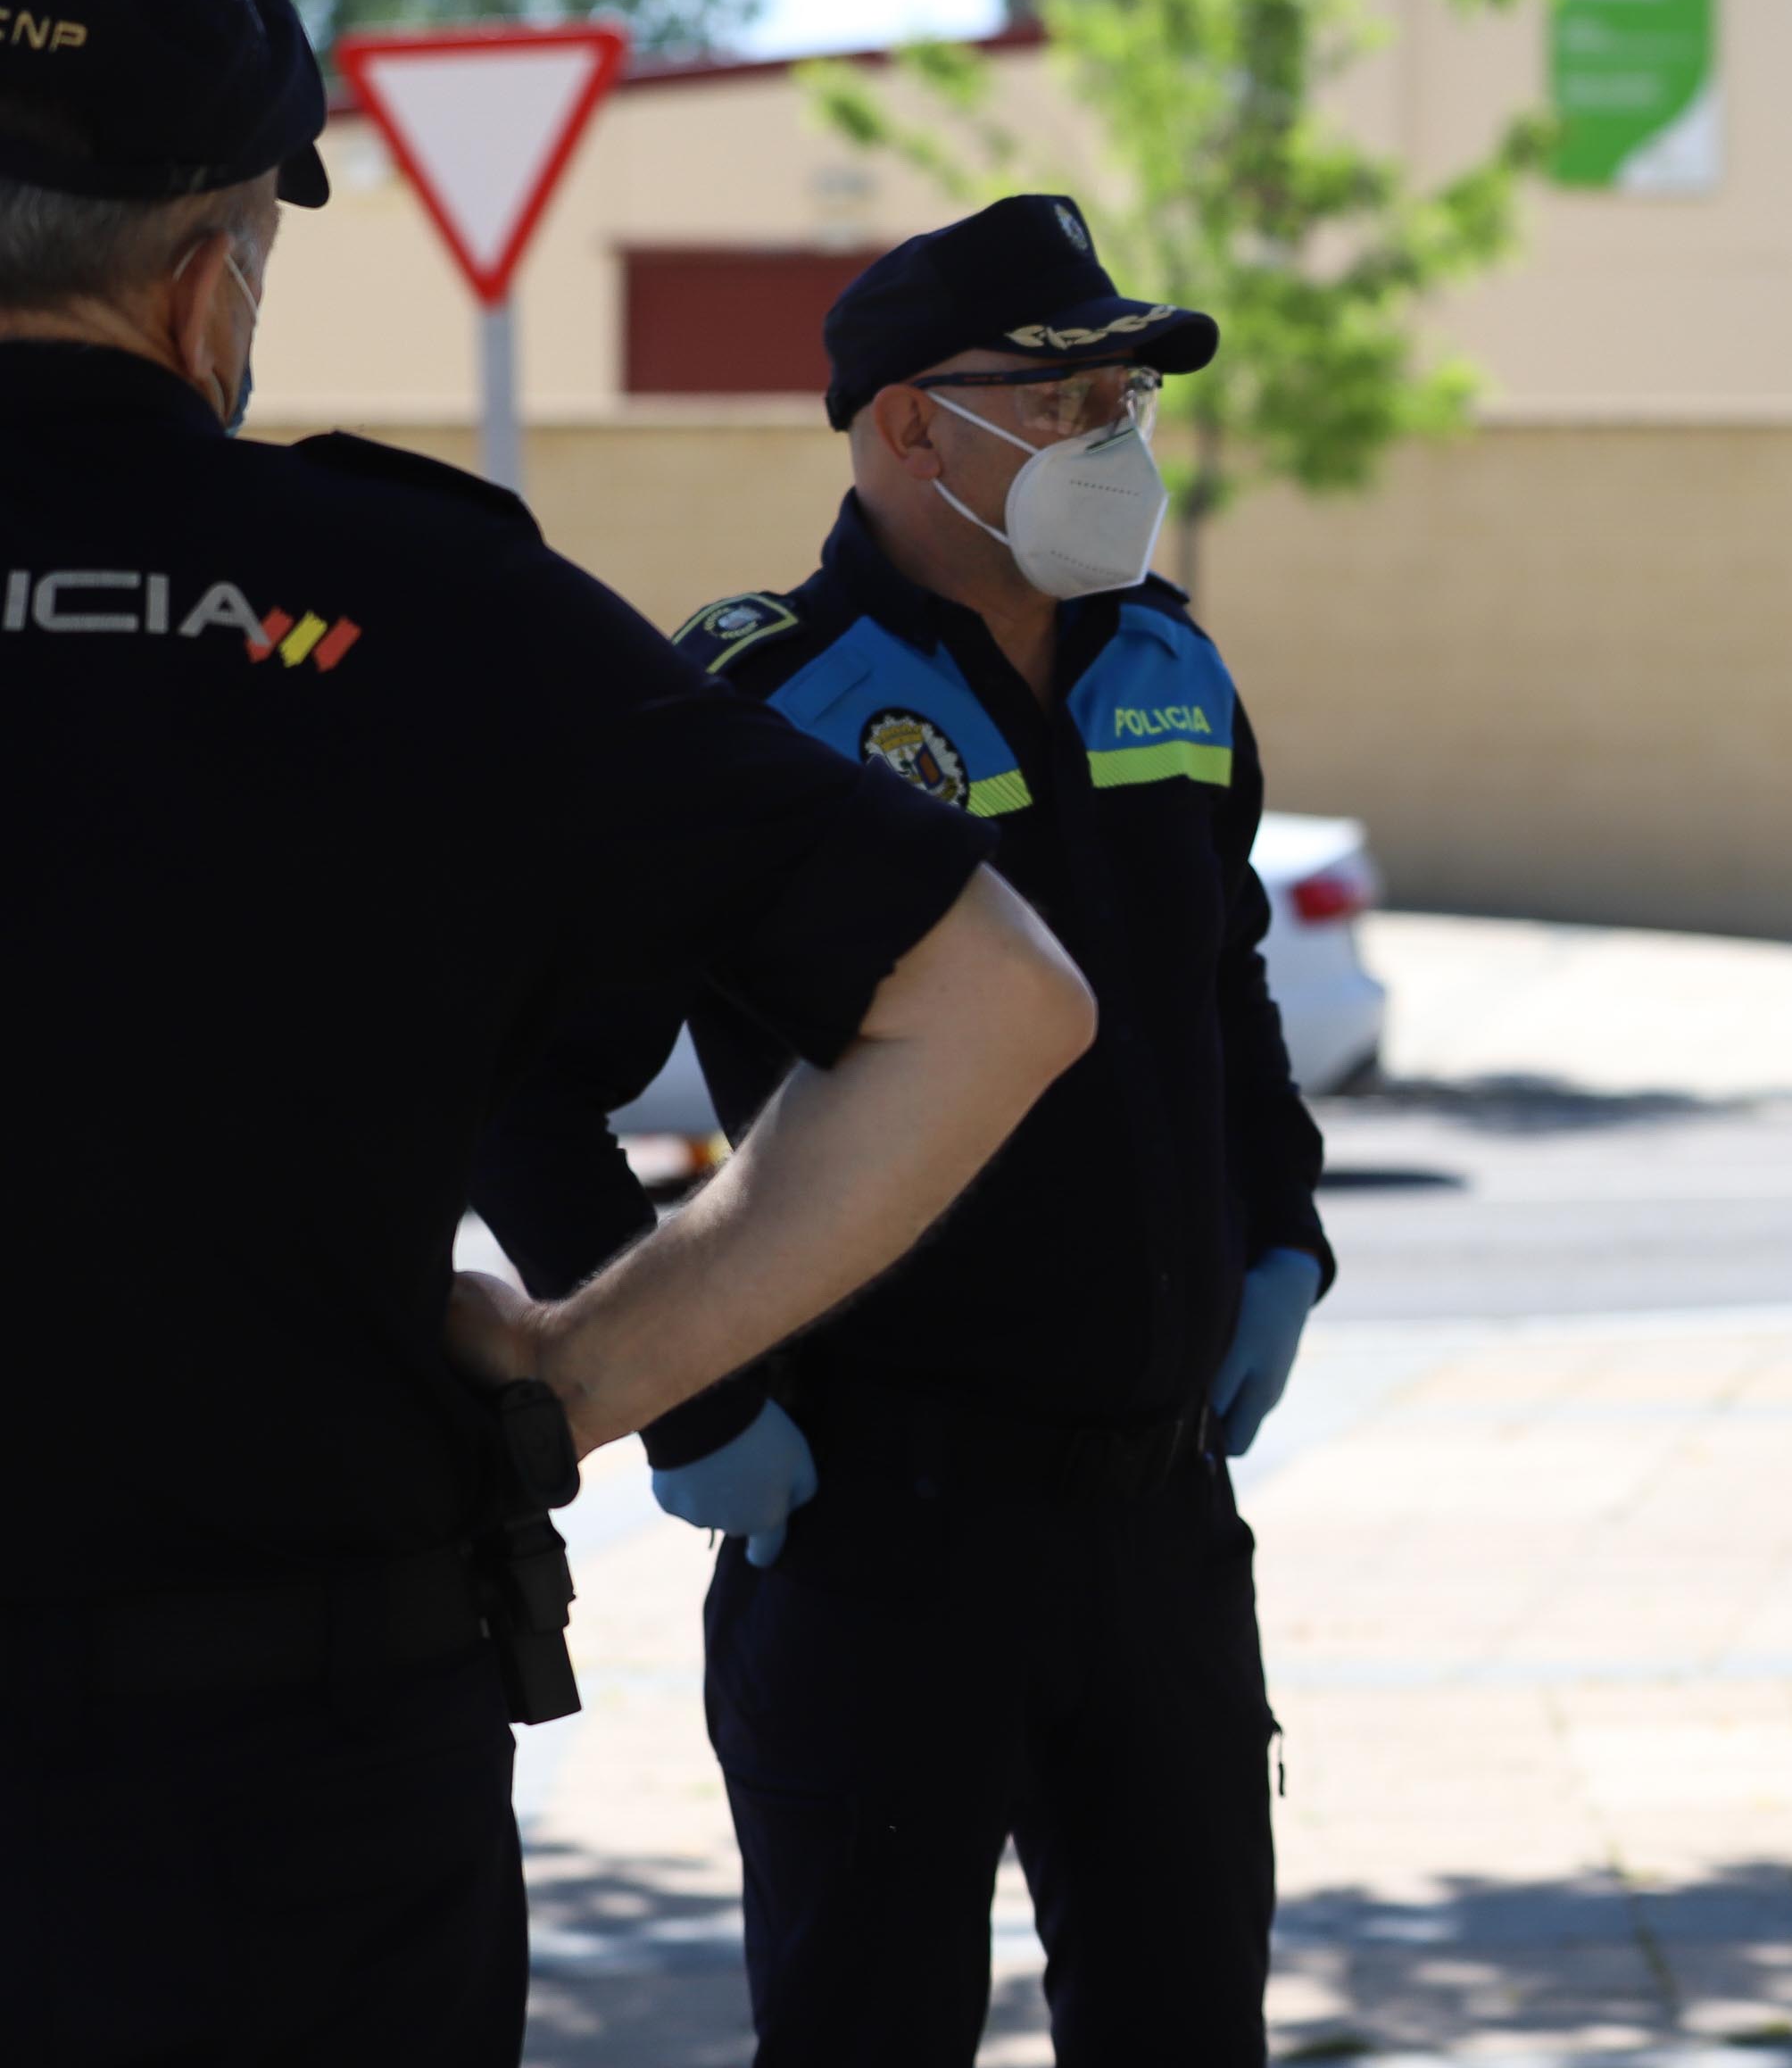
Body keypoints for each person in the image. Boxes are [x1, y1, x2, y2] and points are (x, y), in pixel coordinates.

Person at [0, 0, 1095, 2068]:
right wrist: (592, 1372)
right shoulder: (417, 603)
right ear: (210, 275)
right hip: (278, 1794)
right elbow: (998, 1000)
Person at [471, 193, 1332, 2065]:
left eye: (1128, 394)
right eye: (1067, 393)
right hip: (872, 1537)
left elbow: (1227, 988)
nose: (1116, 433)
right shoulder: (757, 700)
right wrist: (683, 1398)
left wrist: (1286, 1234)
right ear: (908, 427)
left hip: (1161, 1532)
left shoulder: (1166, 666)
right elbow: (520, 1070)